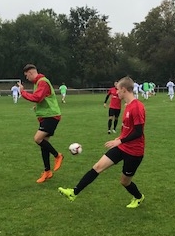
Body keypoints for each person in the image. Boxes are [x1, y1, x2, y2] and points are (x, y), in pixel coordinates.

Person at [58, 76, 146, 208]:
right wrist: (119, 138)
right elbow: (128, 128)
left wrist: (120, 140)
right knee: (98, 166)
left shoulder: (137, 107)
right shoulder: (127, 105)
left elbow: (138, 132)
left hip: (134, 152)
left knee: (124, 182)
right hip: (122, 146)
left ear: (124, 89)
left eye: (118, 90)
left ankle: (139, 197)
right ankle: (73, 192)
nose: (116, 92)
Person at [19, 64, 64, 183]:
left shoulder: (42, 82)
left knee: (37, 139)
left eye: (26, 75)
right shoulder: (38, 83)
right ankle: (47, 171)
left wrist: (23, 92)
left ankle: (57, 155)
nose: (27, 78)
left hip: (51, 116)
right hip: (46, 116)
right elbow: (43, 98)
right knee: (44, 144)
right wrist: (37, 106)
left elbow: (37, 97)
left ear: (30, 73)